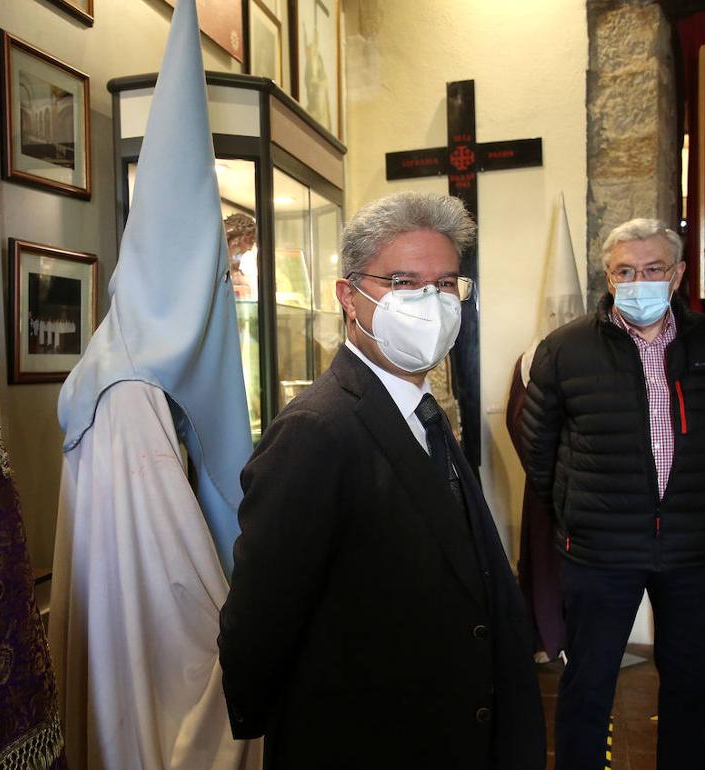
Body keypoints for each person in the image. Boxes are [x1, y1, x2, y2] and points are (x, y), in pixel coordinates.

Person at [218, 191, 545, 770]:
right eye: (403, 281)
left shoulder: (421, 407)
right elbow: (259, 622)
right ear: (349, 296)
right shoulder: (317, 431)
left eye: (446, 284)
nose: (431, 302)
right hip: (365, 739)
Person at [521, 218, 705, 770]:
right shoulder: (565, 348)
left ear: (676, 275)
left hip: (695, 548)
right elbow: (539, 446)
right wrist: (577, 511)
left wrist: (701, 504)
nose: (639, 280)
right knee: (587, 684)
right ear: (608, 276)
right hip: (600, 551)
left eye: (652, 269)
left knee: (694, 686)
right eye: (625, 270)